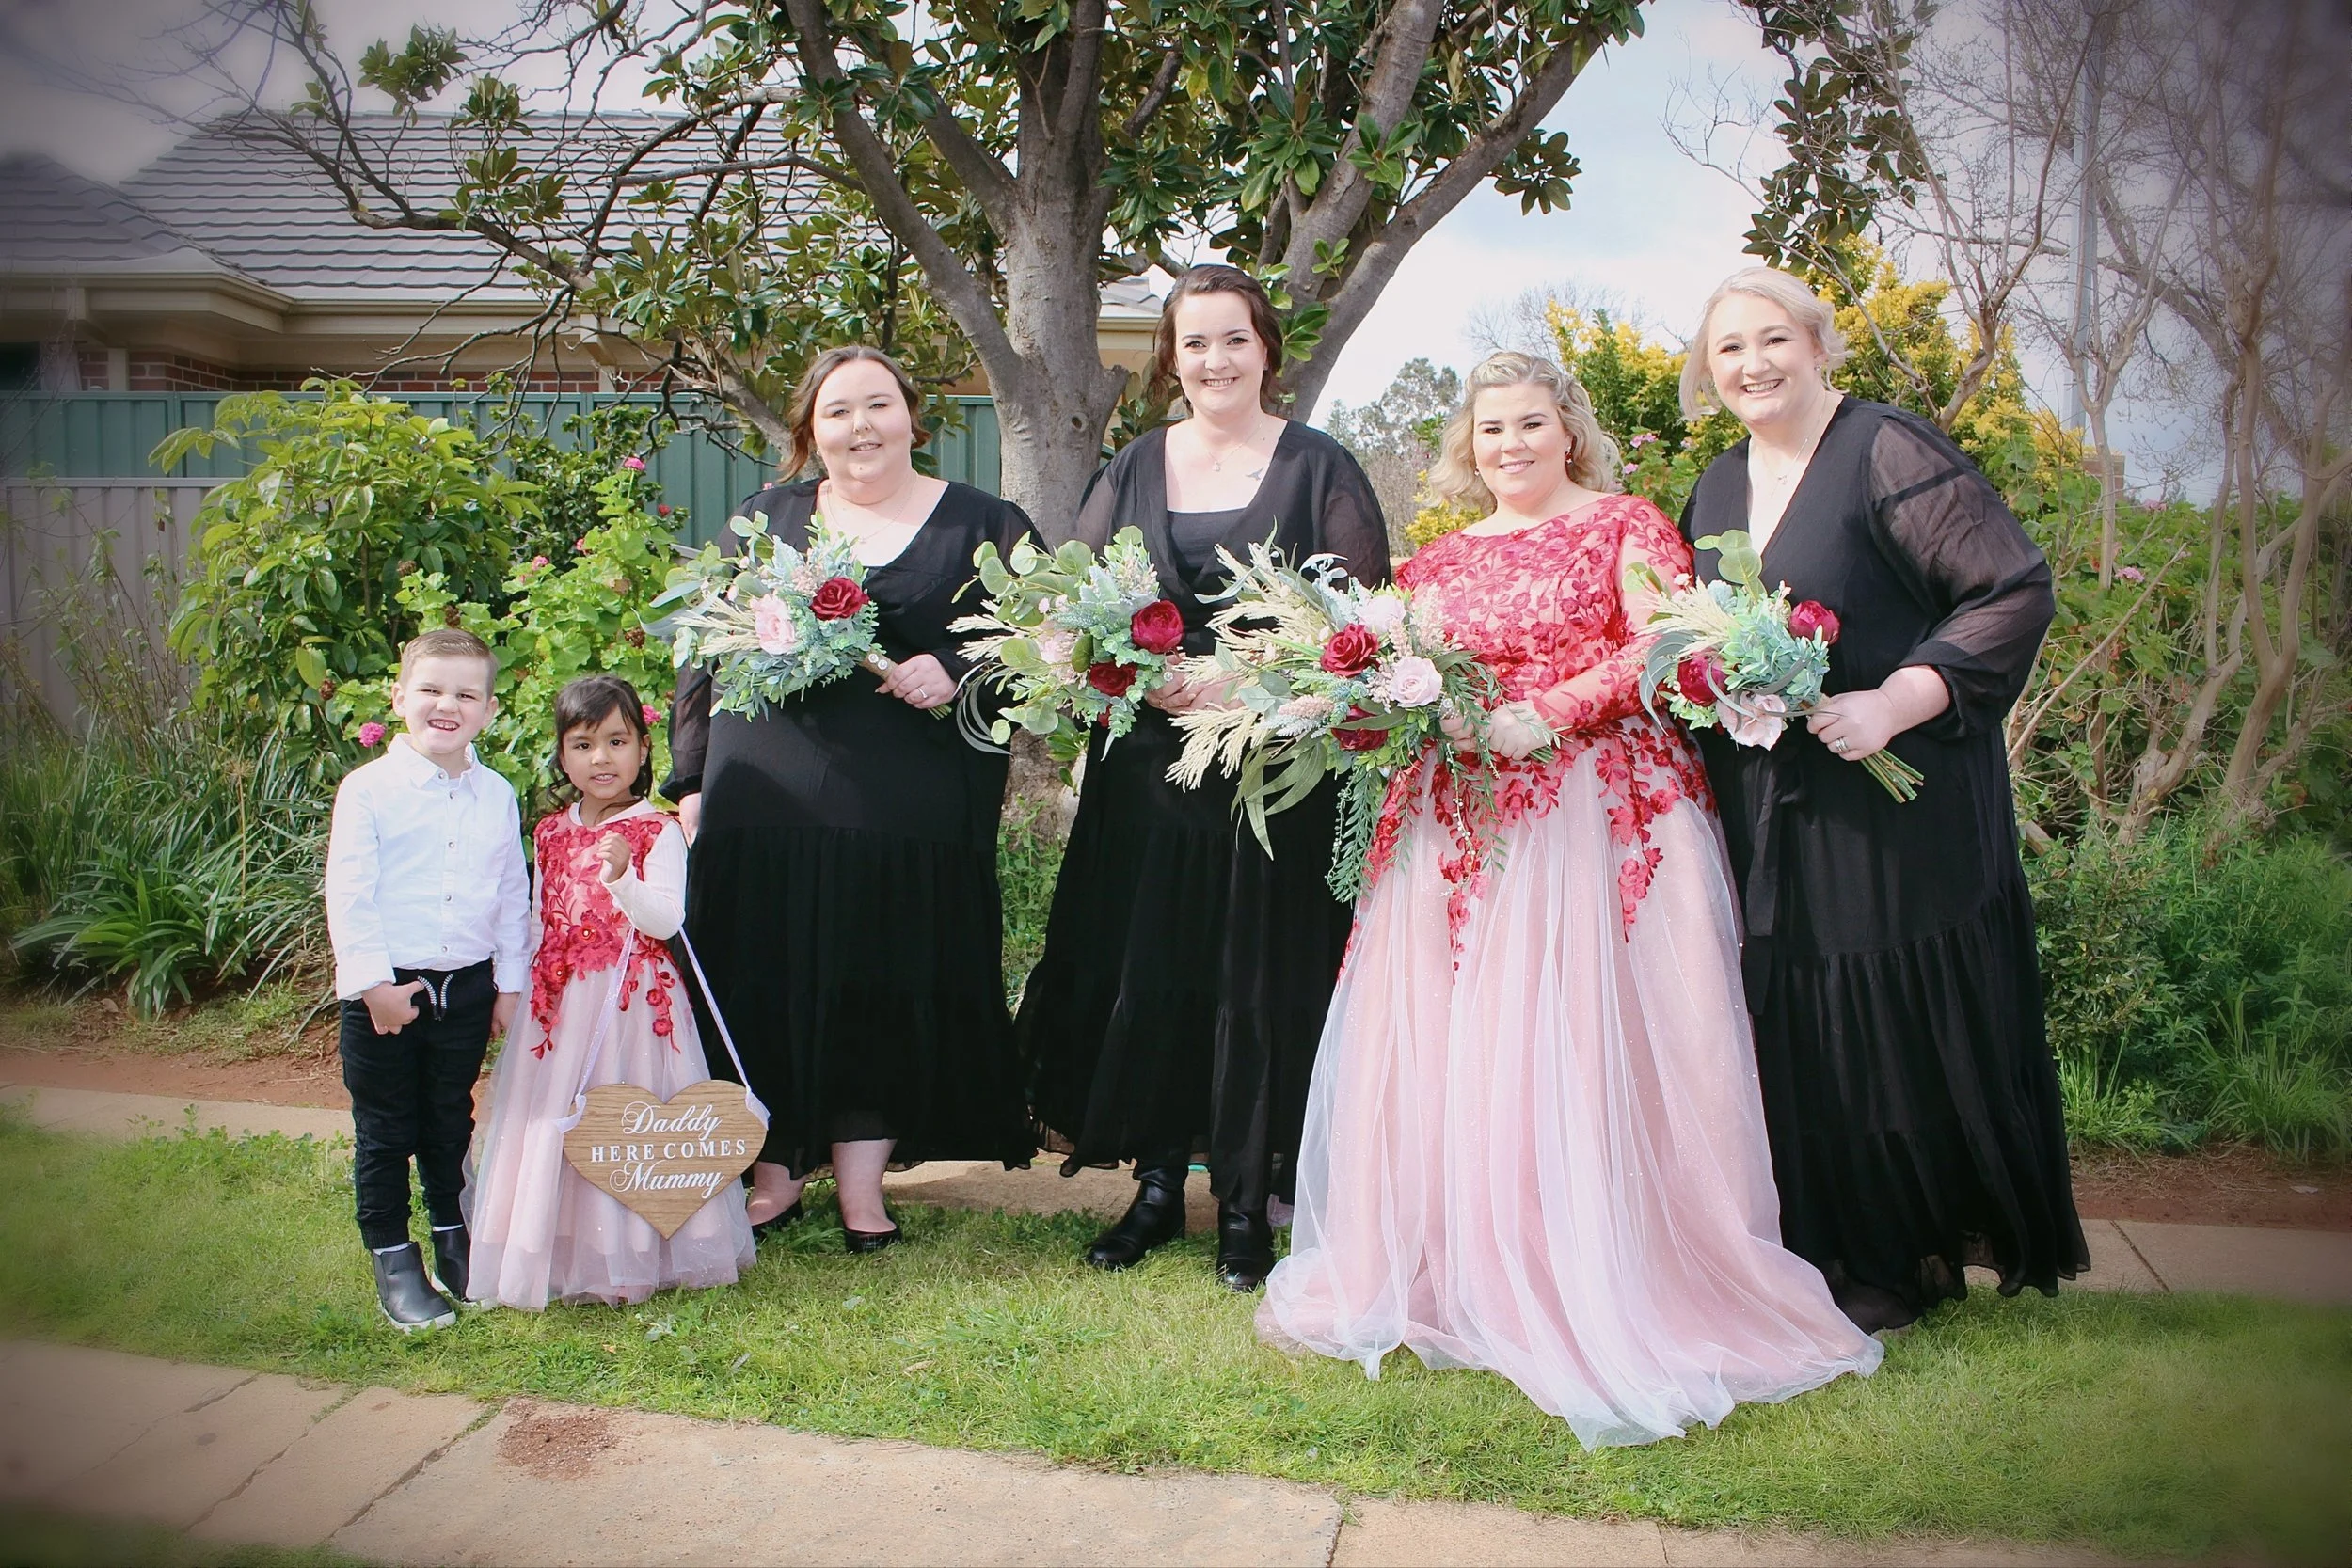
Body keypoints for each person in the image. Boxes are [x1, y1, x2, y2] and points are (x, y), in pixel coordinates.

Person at [1258, 352, 1882, 1447]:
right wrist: (1410, 712)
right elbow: (1401, 662)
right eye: (1491, 427)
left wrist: (1547, 713)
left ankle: (1605, 1267)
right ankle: (1464, 1264)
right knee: (1468, 1044)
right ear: (1467, 442)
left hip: (1595, 811)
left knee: (1587, 1045)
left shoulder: (1626, 524)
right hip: (1456, 818)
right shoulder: (1439, 556)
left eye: (1531, 424)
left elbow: (1661, 640)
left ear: (1569, 430)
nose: (1511, 445)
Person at [1676, 266, 2086, 1332]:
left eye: (1773, 340)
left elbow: (2011, 587)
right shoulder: (1717, 484)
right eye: (1729, 349)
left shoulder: (1884, 447)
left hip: (1894, 796)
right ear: (1706, 369)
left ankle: (1902, 1254)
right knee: (1797, 1007)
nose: (1753, 364)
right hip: (1770, 798)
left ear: (1817, 344)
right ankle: (1818, 1240)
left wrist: (1899, 699)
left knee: (1882, 1009)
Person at [1016, 264, 1391, 1290]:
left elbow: (1361, 625)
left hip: (1272, 773)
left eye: (1233, 339)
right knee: (1156, 969)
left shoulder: (1318, 468)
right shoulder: (1136, 463)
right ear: (1170, 360)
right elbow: (1078, 597)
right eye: (1193, 343)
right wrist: (1092, 659)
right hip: (1149, 773)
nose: (1214, 360)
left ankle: (1243, 1204)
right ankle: (1149, 1187)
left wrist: (1245, 673)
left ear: (1266, 348)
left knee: (1253, 977)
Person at [665, 345, 1037, 1253]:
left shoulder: (983, 524)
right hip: (766, 801)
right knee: (767, 973)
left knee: (880, 976)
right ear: (810, 431)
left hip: (906, 810)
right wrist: (687, 780)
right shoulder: (765, 520)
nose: (859, 426)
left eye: (878, 405)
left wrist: (954, 667)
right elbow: (701, 652)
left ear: (914, 415)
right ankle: (774, 1172)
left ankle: (864, 1190)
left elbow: (1040, 643)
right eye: (838, 411)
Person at [463, 675, 755, 1308]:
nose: (602, 758)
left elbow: (667, 920)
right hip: (560, 1005)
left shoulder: (660, 829)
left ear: (645, 748)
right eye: (583, 743)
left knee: (629, 1119)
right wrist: (515, 986)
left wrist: (624, 876)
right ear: (562, 755)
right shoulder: (550, 831)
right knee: (555, 1123)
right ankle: (562, 1247)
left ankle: (638, 1252)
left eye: (617, 741)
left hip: (633, 1005)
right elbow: (541, 916)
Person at [324, 626, 530, 1332]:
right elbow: (348, 892)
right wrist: (374, 985)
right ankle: (393, 1255)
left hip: (465, 988)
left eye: (466, 694)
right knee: (386, 1129)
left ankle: (454, 1236)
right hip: (387, 993)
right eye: (432, 689)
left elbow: (511, 892)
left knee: (449, 1119)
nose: (448, 705)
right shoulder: (369, 790)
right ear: (400, 695)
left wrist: (507, 982)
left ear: (489, 709)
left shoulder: (496, 794)